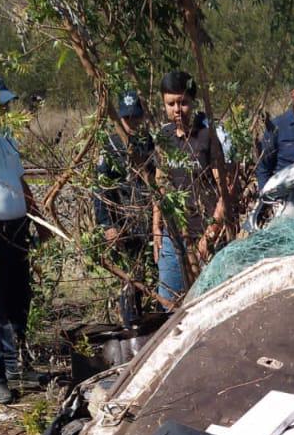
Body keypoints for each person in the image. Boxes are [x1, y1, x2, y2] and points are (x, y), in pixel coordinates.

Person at [0, 71, 46, 403]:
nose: (2, 111)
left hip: (17, 228)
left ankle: (22, 364)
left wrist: (38, 216)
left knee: (19, 299)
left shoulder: (5, 135)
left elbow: (19, 179)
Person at [152, 71, 231, 306]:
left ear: (192, 103)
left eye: (183, 103)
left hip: (204, 234)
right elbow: (161, 183)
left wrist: (209, 236)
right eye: (171, 103)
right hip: (173, 237)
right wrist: (156, 226)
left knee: (208, 304)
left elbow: (225, 192)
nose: (178, 109)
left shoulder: (208, 137)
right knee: (169, 304)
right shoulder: (164, 137)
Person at [94, 91, 155, 326]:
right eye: (126, 118)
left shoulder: (150, 142)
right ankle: (131, 324)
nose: (131, 123)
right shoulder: (110, 145)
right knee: (131, 278)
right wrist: (108, 225)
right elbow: (100, 189)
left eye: (135, 117)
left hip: (149, 222)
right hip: (125, 224)